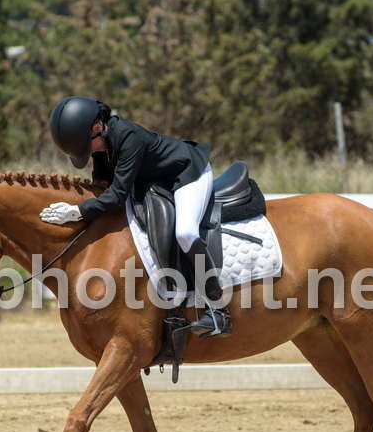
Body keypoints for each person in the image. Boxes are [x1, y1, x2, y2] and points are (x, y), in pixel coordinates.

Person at [40, 96, 230, 337]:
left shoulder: (130, 138)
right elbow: (102, 186)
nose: (91, 154)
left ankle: (218, 310)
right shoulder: (100, 144)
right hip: (157, 180)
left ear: (97, 127)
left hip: (188, 173)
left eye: (88, 147)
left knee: (185, 233)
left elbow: (117, 195)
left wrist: (78, 211)